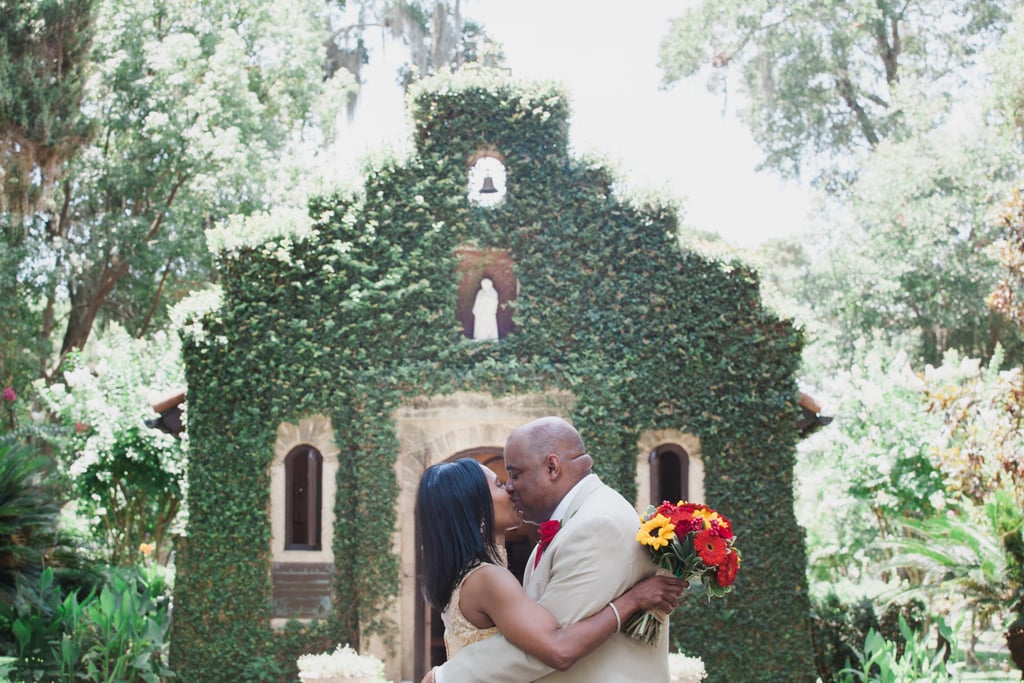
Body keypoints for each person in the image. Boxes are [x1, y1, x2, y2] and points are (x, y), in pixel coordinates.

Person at [425, 417, 682, 683]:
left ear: (551, 467)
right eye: (502, 483)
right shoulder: (498, 570)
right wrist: (633, 601)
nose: (510, 487)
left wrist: (446, 676)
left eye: (514, 474)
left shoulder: (597, 524)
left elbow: (551, 647)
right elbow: (554, 645)